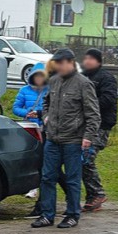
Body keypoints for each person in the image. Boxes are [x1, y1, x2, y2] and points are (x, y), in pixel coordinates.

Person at [31, 48, 100, 229]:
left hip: (73, 140)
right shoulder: (53, 81)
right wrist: (46, 117)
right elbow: (46, 102)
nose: (59, 67)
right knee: (47, 177)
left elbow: (93, 114)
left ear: (70, 62)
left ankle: (72, 215)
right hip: (53, 138)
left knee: (72, 179)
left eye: (61, 63)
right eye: (56, 64)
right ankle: (47, 215)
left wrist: (88, 137)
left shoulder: (83, 84)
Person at [12, 62, 68, 217]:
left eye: (41, 77)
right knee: (48, 169)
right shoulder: (24, 91)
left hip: (48, 133)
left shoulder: (51, 91)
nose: (38, 80)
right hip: (31, 132)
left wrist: (40, 114)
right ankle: (62, 199)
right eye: (36, 77)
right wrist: (26, 112)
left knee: (48, 169)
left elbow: (55, 109)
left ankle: (45, 205)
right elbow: (15, 107)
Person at [80, 48, 118, 212]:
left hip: (100, 125)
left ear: (98, 61)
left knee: (87, 159)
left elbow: (109, 99)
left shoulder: (106, 77)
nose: (87, 61)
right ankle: (92, 196)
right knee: (81, 160)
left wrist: (89, 107)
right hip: (85, 125)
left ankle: (97, 193)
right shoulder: (83, 76)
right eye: (85, 58)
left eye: (91, 58)